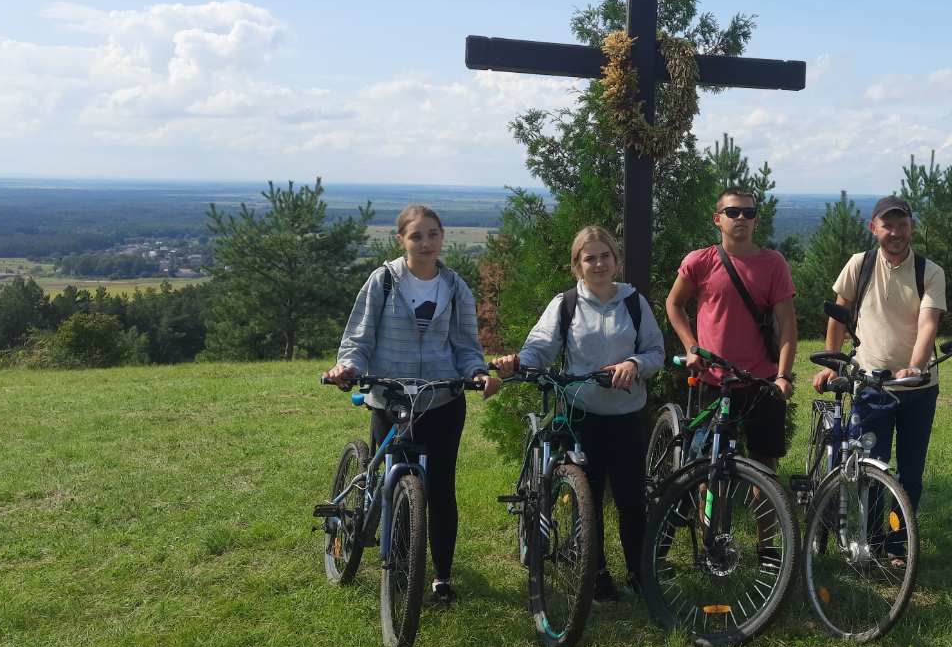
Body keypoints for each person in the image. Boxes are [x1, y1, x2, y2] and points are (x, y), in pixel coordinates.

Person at [324, 204, 501, 605]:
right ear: (400, 240)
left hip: (441, 399)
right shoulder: (383, 281)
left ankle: (441, 575)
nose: (425, 243)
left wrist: (477, 373)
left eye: (433, 235)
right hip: (389, 396)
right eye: (416, 236)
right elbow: (359, 338)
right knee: (388, 483)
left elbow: (466, 346)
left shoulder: (454, 286)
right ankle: (397, 565)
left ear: (443, 238)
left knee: (441, 490)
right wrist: (347, 367)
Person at [493, 225, 666, 601]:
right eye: (590, 257)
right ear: (577, 265)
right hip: (580, 414)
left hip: (626, 416)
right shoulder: (565, 305)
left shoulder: (635, 303)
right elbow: (539, 348)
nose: (599, 263)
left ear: (616, 260)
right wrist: (518, 362)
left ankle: (639, 572)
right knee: (587, 498)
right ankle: (596, 571)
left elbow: (656, 352)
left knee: (631, 500)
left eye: (605, 255)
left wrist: (635, 364)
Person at [815, 195, 947, 528]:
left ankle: (898, 540)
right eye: (888, 225)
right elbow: (839, 314)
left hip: (917, 388)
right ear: (874, 228)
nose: (896, 232)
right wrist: (833, 362)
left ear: (912, 228)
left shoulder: (930, 272)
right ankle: (872, 538)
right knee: (871, 468)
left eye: (902, 225)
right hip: (870, 384)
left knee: (909, 475)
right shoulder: (859, 264)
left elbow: (928, 324)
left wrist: (916, 368)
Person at [665, 186, 797, 471]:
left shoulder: (773, 264)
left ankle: (769, 517)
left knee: (765, 465)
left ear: (756, 220)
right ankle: (707, 518)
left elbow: (787, 323)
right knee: (706, 466)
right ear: (717, 219)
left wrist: (784, 376)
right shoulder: (699, 262)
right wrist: (692, 347)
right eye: (732, 212)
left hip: (763, 383)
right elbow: (674, 304)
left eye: (748, 213)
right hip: (714, 381)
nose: (741, 218)